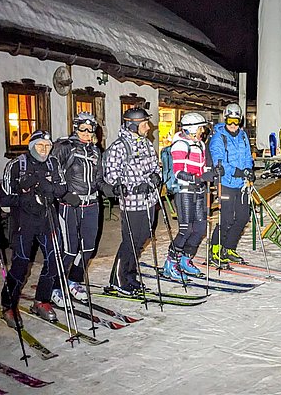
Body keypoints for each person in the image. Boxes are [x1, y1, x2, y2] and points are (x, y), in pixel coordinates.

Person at [0, 130, 67, 326]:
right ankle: (9, 305)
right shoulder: (16, 165)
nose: (44, 150)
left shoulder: (53, 163)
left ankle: (41, 300)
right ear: (31, 146)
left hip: (47, 219)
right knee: (21, 264)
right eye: (40, 145)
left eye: (48, 146)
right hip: (24, 221)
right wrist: (23, 196)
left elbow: (62, 189)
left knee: (54, 260)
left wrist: (47, 187)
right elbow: (3, 198)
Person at [103, 107, 160, 295]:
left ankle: (130, 275)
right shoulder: (118, 147)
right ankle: (118, 279)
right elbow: (111, 175)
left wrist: (155, 177)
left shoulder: (146, 144)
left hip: (149, 200)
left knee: (142, 238)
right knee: (130, 241)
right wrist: (134, 186)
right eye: (144, 124)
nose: (148, 127)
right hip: (132, 202)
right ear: (133, 125)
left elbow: (155, 167)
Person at [49, 112, 104, 306]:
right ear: (75, 128)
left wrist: (108, 188)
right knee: (69, 250)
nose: (87, 133)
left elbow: (98, 178)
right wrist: (63, 194)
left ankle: (74, 281)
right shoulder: (65, 148)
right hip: (70, 205)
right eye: (83, 129)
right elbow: (51, 174)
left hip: (91, 204)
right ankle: (55, 286)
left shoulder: (95, 151)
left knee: (88, 248)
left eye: (91, 129)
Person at [162, 112, 218, 280]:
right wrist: (199, 178)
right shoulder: (180, 145)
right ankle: (171, 262)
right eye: (200, 128)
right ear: (192, 129)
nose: (203, 131)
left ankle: (185, 259)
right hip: (185, 191)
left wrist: (212, 172)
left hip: (199, 190)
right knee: (186, 229)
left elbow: (202, 167)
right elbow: (178, 172)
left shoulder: (199, 144)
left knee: (200, 228)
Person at [209, 103, 254, 266]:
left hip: (241, 184)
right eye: (230, 121)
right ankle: (215, 249)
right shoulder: (218, 137)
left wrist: (249, 170)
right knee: (227, 219)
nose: (233, 125)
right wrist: (238, 172)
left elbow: (248, 156)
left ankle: (228, 248)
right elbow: (219, 162)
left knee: (243, 217)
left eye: (236, 121)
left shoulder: (243, 136)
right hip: (226, 182)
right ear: (225, 119)